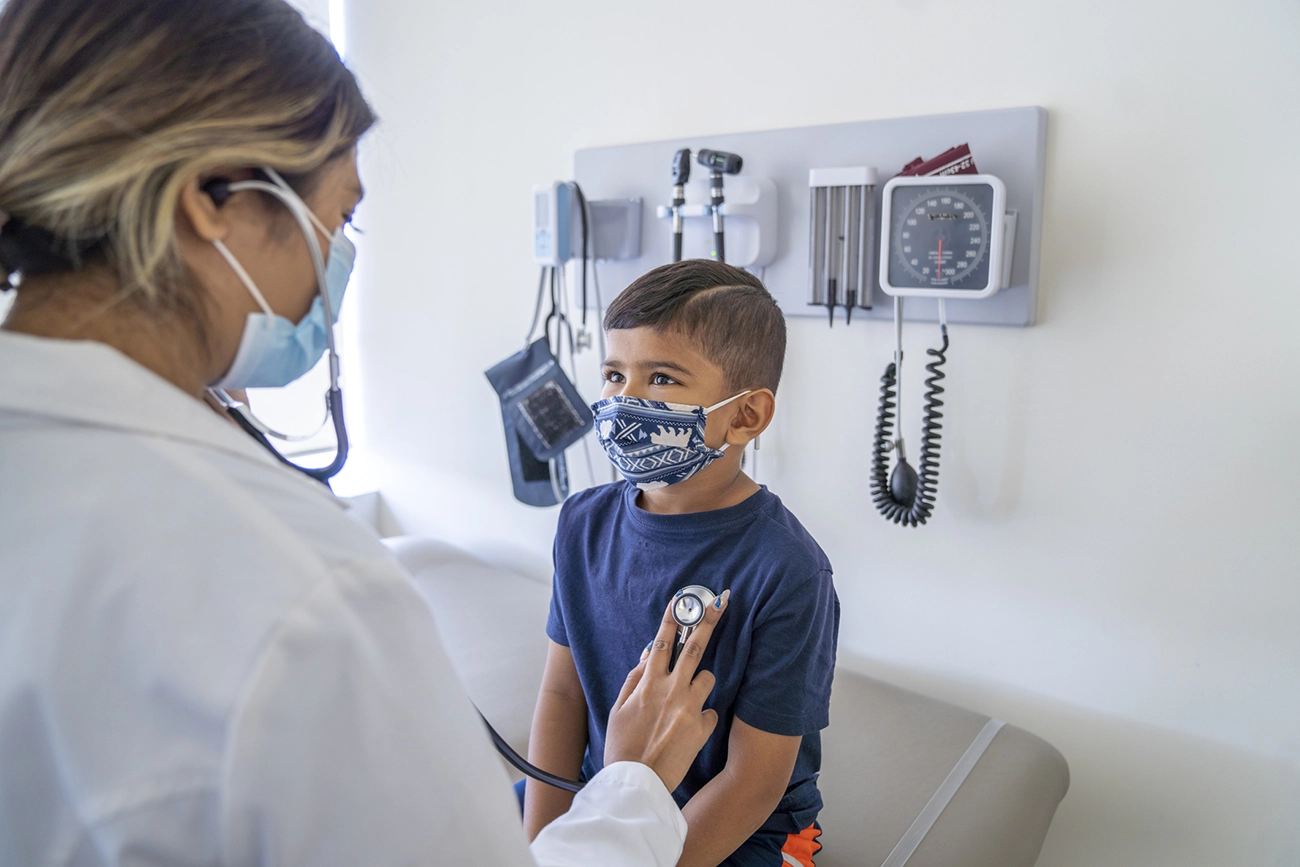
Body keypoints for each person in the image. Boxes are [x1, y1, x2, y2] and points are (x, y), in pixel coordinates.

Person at [0, 1, 727, 864]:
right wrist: (635, 785)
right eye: (339, 218)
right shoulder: (305, 592)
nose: (337, 264)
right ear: (211, 199)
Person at [523, 261, 841, 867]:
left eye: (662, 378)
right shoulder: (581, 524)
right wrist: (542, 844)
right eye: (614, 375)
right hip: (607, 797)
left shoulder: (789, 570)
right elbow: (562, 694)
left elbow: (755, 782)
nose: (624, 402)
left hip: (749, 833)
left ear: (745, 415)